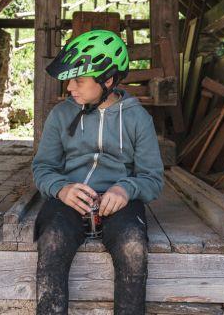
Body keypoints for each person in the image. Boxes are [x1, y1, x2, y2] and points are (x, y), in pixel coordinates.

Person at [32, 29, 164, 314]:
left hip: (119, 203)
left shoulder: (138, 118)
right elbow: (43, 168)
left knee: (132, 245)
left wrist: (125, 189)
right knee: (53, 239)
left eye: (79, 80)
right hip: (70, 198)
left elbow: (153, 178)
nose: (70, 87)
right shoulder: (61, 114)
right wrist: (61, 188)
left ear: (107, 80)